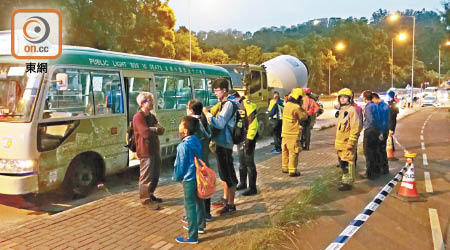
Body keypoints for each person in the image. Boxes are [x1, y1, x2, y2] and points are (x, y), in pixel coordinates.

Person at [202, 78, 238, 215]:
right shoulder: (223, 103)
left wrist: (207, 114)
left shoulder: (229, 104)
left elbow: (220, 123)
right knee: (224, 174)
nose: (215, 93)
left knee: (228, 175)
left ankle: (231, 204)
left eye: (217, 90)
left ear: (224, 90)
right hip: (221, 143)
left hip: (225, 143)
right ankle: (226, 199)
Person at [174, 116, 205, 244]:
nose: (179, 126)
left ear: (185, 131)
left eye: (181, 124)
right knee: (198, 202)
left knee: (190, 206)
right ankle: (200, 226)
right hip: (198, 177)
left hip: (188, 178)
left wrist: (177, 177)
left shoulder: (183, 146)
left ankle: (192, 236)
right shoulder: (196, 140)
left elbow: (180, 165)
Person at [133, 92, 165, 209]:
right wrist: (155, 129)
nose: (153, 103)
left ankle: (151, 194)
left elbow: (160, 129)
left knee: (155, 174)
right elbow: (145, 132)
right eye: (150, 100)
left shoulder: (151, 116)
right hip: (145, 150)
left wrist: (156, 129)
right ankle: (145, 200)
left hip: (154, 148)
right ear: (143, 103)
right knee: (146, 176)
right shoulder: (138, 117)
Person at [186, 99, 213, 221]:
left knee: (197, 189)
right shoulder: (204, 120)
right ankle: (206, 213)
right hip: (205, 160)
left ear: (191, 110)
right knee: (205, 186)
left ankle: (198, 217)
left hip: (196, 162)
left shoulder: (192, 123)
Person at [232, 91, 259, 196]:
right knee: (241, 162)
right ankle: (243, 183)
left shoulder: (247, 104)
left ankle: (252, 188)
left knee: (249, 163)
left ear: (235, 98)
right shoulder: (237, 105)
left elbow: (253, 122)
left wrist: (249, 139)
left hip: (248, 138)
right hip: (240, 138)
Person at [335, 88, 362, 191]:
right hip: (340, 143)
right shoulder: (342, 110)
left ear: (349, 99)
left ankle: (348, 183)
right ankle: (345, 179)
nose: (342, 99)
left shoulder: (352, 110)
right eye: (341, 97)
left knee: (347, 163)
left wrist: (351, 142)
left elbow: (356, 127)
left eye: (345, 97)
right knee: (342, 163)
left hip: (347, 143)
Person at [281, 88, 307, 177]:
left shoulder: (287, 104)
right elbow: (303, 117)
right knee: (293, 152)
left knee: (285, 151)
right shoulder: (296, 107)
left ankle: (285, 167)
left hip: (284, 132)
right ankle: (292, 170)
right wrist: (303, 107)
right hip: (293, 133)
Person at [362, 90, 381, 180]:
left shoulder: (368, 107)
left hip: (370, 131)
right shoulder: (375, 105)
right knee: (374, 151)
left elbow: (371, 119)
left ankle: (369, 173)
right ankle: (375, 171)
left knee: (368, 152)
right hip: (376, 130)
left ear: (364, 98)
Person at [373, 93, 390, 175]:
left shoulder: (383, 106)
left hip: (382, 131)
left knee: (381, 150)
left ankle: (384, 169)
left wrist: (381, 133)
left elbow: (384, 121)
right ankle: (383, 169)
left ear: (375, 98)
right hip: (382, 131)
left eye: (372, 100)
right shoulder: (382, 105)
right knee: (380, 150)